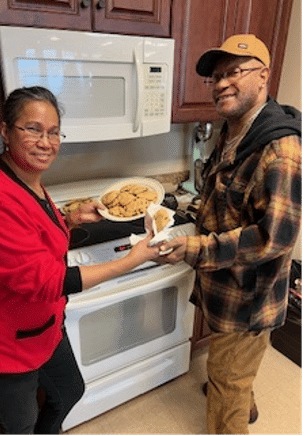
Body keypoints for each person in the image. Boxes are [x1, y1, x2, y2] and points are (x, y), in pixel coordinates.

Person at [0, 86, 162, 435]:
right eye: (32, 129)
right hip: (2, 346)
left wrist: (71, 219)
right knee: (21, 426)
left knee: (69, 391)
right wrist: (130, 261)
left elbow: (33, 231)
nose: (46, 142)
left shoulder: (24, 179)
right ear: (5, 131)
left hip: (43, 327)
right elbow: (43, 279)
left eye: (53, 132)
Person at [160, 34, 302, 435]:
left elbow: (273, 238)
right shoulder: (234, 130)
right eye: (216, 76)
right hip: (227, 288)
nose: (221, 83)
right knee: (236, 369)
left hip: (248, 300)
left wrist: (195, 247)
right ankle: (243, 397)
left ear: (264, 75)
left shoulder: (281, 151)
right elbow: (224, 202)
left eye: (234, 72)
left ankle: (233, 410)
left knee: (226, 378)